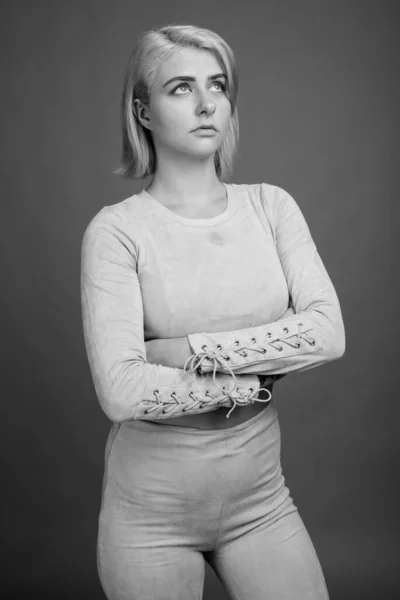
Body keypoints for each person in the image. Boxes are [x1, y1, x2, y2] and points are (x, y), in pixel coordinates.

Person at [80, 23, 345, 600]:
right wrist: (252, 384)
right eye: (180, 88)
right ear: (143, 112)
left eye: (217, 85)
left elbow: (327, 333)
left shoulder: (271, 207)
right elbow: (122, 392)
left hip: (261, 504)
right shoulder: (117, 231)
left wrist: (190, 352)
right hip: (149, 517)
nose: (206, 104)